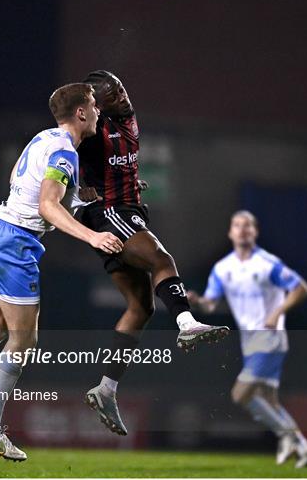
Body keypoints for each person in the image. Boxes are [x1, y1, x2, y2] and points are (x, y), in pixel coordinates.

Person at [0, 83, 123, 461]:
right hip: (15, 244)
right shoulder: (65, 151)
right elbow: (48, 206)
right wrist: (92, 236)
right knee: (24, 340)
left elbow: (26, 186)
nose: (99, 112)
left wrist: (89, 198)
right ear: (81, 113)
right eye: (93, 105)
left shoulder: (44, 138)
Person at [77, 70, 229, 436]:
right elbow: (80, 182)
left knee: (141, 307)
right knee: (163, 259)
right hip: (112, 214)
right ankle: (187, 325)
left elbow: (120, 166)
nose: (123, 95)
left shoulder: (127, 120)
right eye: (113, 94)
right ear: (99, 106)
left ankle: (106, 388)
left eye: (121, 87)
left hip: (124, 209)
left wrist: (130, 183)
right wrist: (85, 193)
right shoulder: (93, 134)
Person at [187, 210, 307, 468]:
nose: (242, 229)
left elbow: (300, 288)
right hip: (249, 342)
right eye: (237, 225)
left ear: (255, 232)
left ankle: (288, 437)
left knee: (241, 394)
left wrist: (277, 312)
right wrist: (198, 301)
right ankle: (305, 449)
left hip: (270, 336)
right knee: (269, 402)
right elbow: (211, 305)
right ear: (231, 232)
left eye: (247, 225)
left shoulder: (267, 263)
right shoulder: (223, 268)